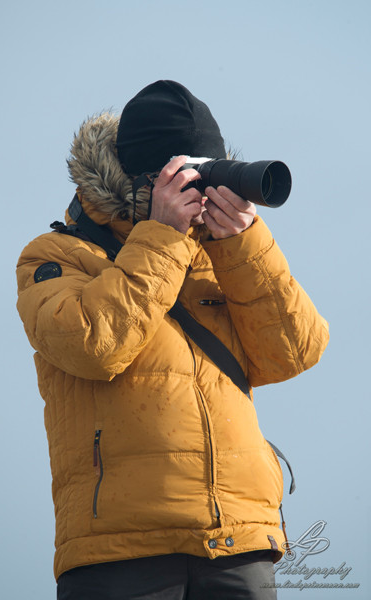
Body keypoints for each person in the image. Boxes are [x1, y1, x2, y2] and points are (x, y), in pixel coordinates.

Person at [16, 80, 329, 599]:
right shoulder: (57, 255)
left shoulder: (222, 256)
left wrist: (245, 242)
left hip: (241, 539)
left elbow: (294, 352)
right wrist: (161, 237)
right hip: (121, 549)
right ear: (142, 180)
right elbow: (94, 347)